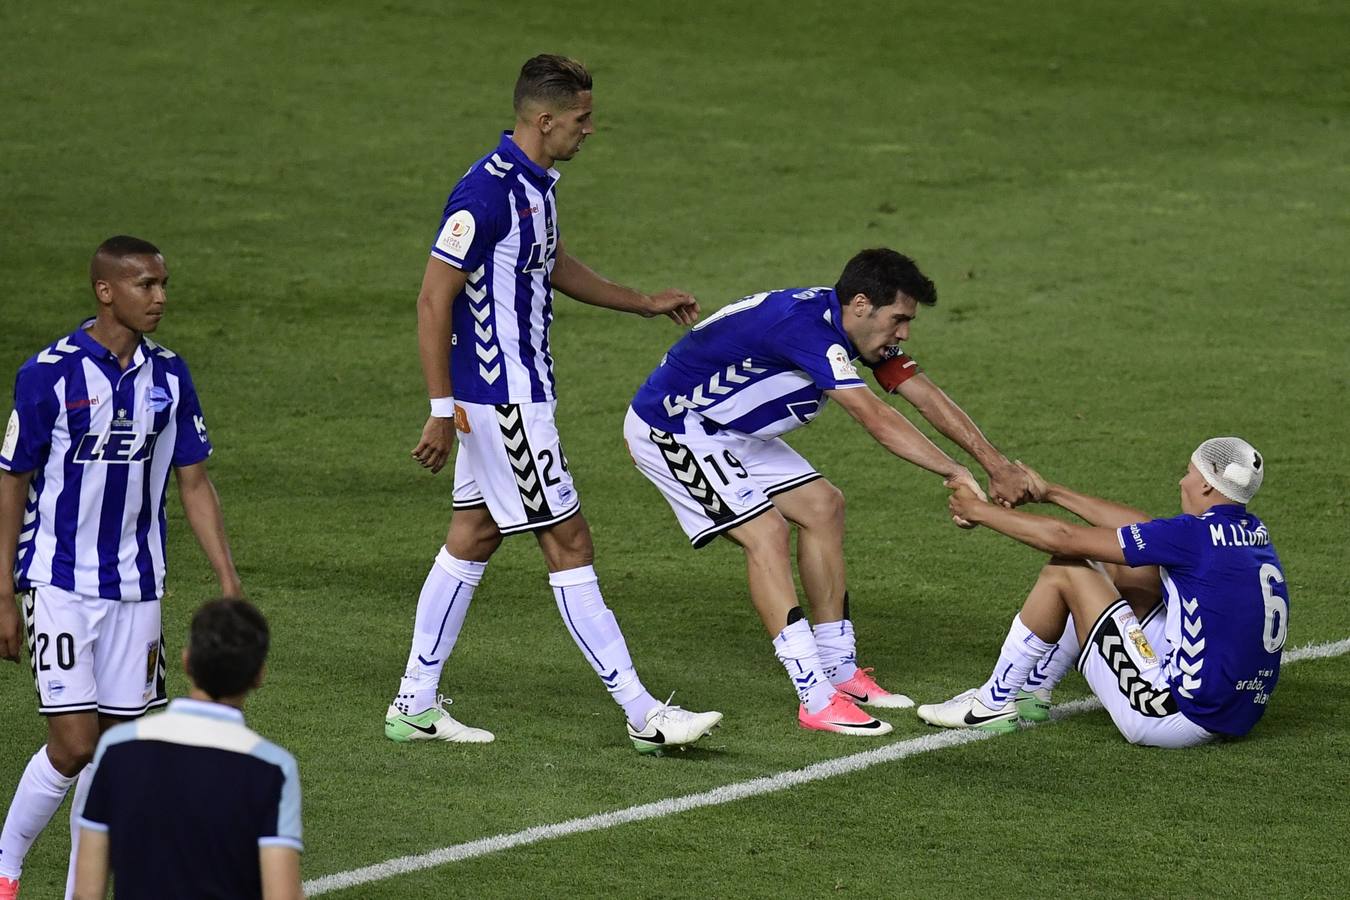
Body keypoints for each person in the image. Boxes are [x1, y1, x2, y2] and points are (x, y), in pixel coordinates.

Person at [385, 54, 721, 754]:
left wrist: (639, 302)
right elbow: (432, 299)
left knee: (472, 537)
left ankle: (414, 703)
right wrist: (441, 409)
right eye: (581, 118)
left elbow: (550, 261)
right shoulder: (484, 193)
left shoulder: (535, 184)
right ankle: (643, 714)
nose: (589, 130)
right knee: (569, 543)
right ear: (544, 120)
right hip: (504, 401)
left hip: (513, 397)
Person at [623, 248, 1033, 735]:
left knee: (823, 505)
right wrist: (953, 472)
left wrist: (994, 465)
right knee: (766, 533)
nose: (903, 334)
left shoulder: (846, 324)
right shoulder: (804, 329)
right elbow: (875, 417)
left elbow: (919, 389)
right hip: (675, 426)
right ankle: (815, 698)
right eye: (899, 319)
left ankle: (838, 668)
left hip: (733, 430)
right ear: (861, 304)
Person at [0, 236, 242, 900]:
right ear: (105, 292)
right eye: (145, 285)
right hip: (58, 583)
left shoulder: (170, 376)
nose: (160, 297)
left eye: (163, 284)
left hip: (137, 589)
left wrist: (227, 579)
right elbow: (12, 482)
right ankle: (6, 862)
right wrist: (3, 593)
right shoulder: (47, 374)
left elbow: (194, 481)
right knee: (75, 745)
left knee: (114, 757)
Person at [921, 437, 1288, 748]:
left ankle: (992, 701)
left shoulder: (1192, 536)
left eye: (1189, 473)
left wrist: (980, 511)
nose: (1182, 481)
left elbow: (1064, 538)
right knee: (1132, 565)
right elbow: (1141, 527)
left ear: (1206, 485)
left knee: (1068, 568)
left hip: (1173, 714)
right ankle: (1033, 690)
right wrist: (1050, 493)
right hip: (1237, 711)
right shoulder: (1254, 533)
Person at [72, 598, 302, 900]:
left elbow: (86, 893)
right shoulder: (273, 769)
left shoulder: (117, 749)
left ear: (186, 661)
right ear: (259, 675)